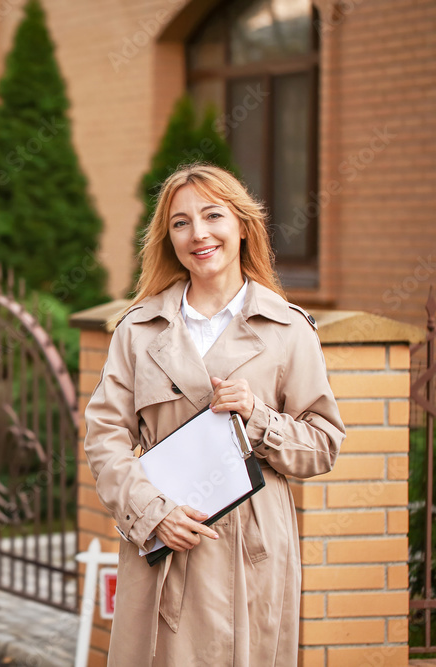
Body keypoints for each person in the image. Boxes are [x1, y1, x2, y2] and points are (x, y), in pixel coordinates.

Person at [83, 164, 345, 665]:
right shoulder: (138, 330)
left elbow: (323, 444)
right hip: (164, 542)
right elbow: (105, 436)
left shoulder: (289, 330)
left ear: (242, 225)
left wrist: (258, 416)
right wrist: (153, 514)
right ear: (168, 238)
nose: (198, 234)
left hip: (253, 550)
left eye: (212, 215)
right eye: (181, 223)